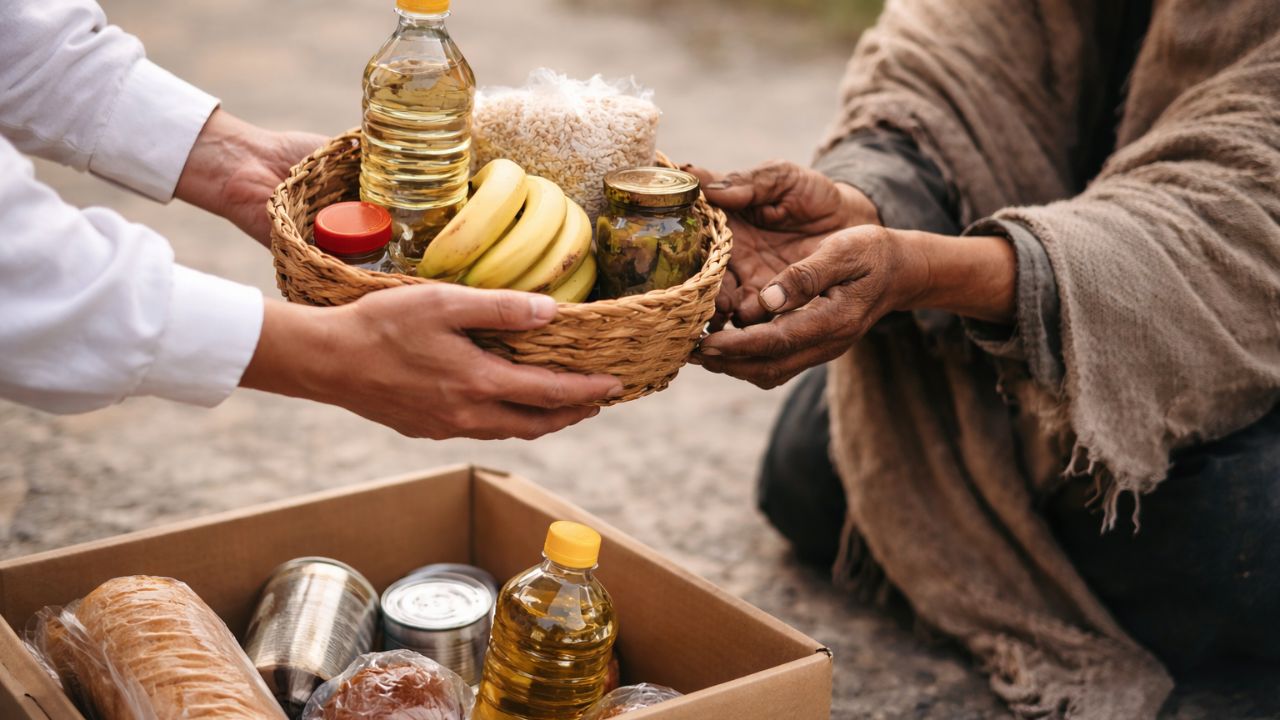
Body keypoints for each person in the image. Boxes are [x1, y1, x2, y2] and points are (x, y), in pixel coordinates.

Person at [691, 1, 1280, 718]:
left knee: (1240, 535)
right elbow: (941, 63)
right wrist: (862, 201)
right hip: (1035, 304)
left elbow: (1242, 214)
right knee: (810, 469)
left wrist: (925, 272)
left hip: (1238, 340)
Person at [0, 0, 621, 440]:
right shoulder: (403, 65)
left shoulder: (436, 69)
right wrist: (328, 354)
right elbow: (23, 280)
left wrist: (234, 160)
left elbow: (18, 34)